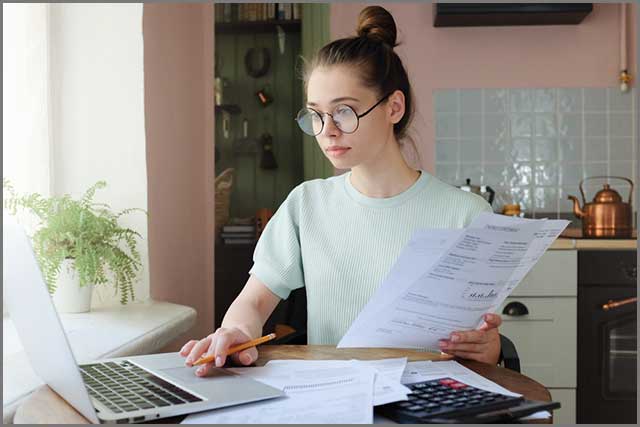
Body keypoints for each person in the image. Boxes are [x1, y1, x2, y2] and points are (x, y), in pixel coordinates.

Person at [182, 5, 502, 376]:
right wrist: (236, 330)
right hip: (332, 397)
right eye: (316, 114)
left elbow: (481, 343)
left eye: (344, 111)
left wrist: (488, 348)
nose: (327, 130)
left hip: (430, 401)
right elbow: (253, 302)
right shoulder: (306, 205)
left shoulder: (467, 214)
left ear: (393, 107)